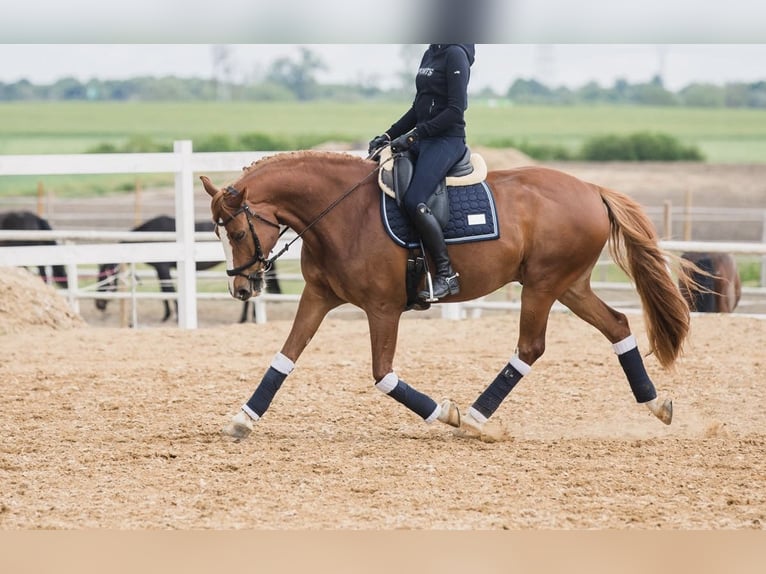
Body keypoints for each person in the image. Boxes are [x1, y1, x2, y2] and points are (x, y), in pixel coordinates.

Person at [368, 44, 475, 301]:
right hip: (424, 138)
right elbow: (419, 107)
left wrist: (414, 136)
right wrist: (388, 134)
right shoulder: (431, 52)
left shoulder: (455, 54)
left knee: (415, 199)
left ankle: (446, 275)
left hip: (446, 140)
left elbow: (455, 110)